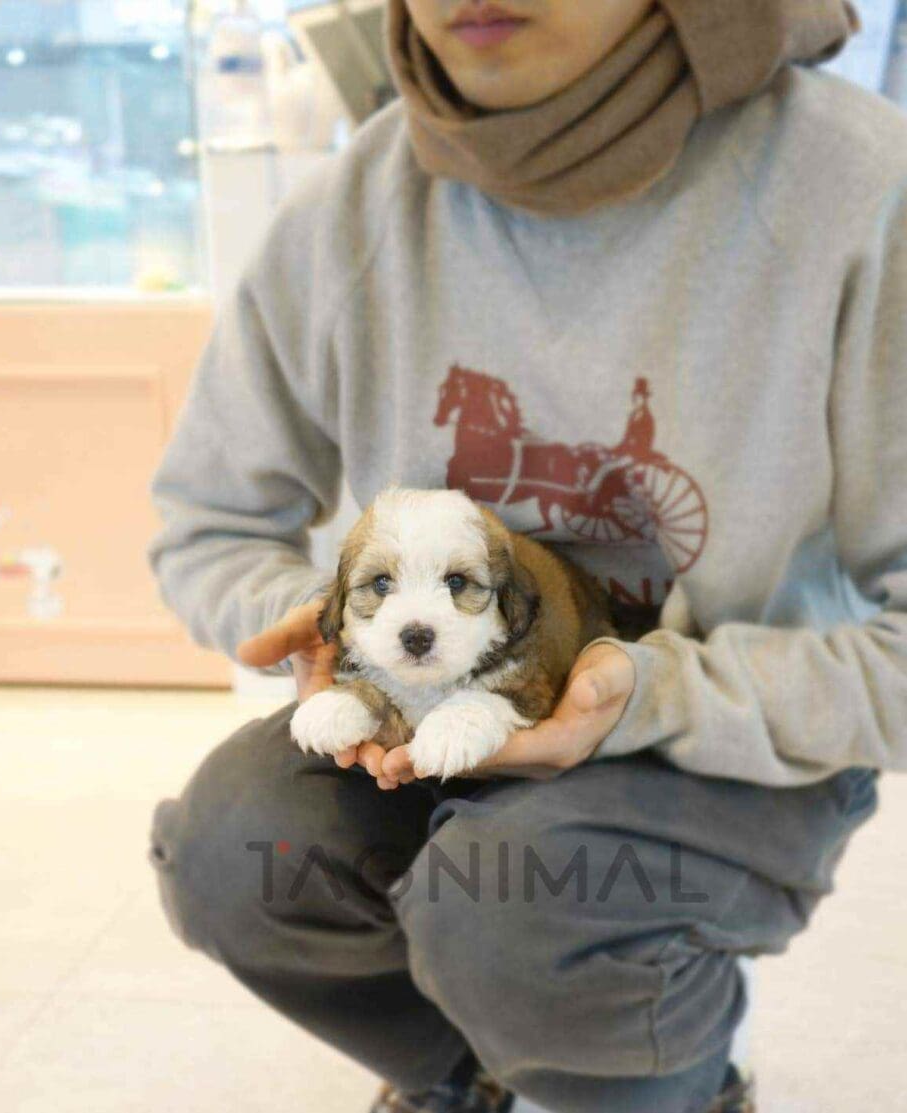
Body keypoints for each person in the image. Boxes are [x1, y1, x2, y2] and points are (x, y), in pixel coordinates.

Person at [146, 2, 907, 1111]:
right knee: (232, 853)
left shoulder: (858, 191)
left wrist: (652, 692)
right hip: (428, 706)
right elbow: (208, 520)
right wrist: (339, 621)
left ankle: (680, 1074)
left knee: (509, 899)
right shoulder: (352, 209)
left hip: (738, 725)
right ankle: (468, 1076)